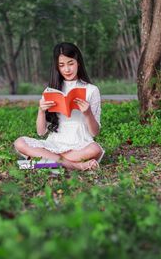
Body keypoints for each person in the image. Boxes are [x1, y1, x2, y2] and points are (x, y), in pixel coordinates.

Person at [14, 42, 105, 171]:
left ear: (78, 62)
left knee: (95, 149)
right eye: (61, 65)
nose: (67, 70)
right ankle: (75, 165)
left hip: (80, 145)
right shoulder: (51, 90)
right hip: (54, 143)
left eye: (71, 63)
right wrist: (41, 110)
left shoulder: (92, 90)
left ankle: (50, 160)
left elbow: (94, 132)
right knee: (19, 142)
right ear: (57, 67)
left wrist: (88, 113)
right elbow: (41, 132)